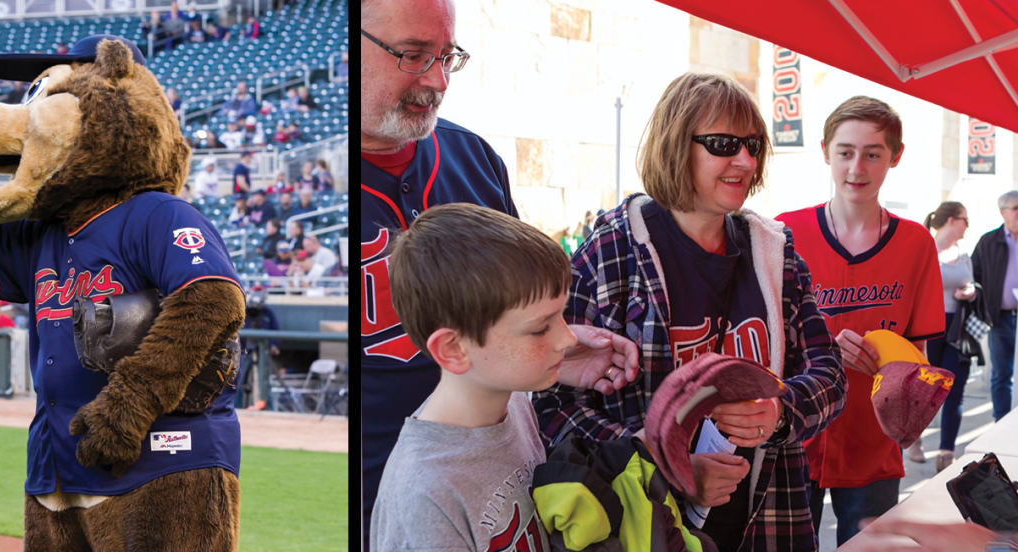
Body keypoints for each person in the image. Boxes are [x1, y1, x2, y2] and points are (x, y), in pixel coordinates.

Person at [536, 73, 844, 552]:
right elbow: (551, 402)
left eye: (753, 144)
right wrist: (666, 466)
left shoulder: (775, 252)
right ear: (677, 145)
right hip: (651, 528)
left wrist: (781, 413)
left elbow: (829, 373)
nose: (744, 160)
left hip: (770, 520)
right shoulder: (612, 250)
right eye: (723, 144)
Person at [357, 0, 544, 524]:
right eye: (413, 55)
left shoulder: (475, 158)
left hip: (501, 493)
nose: (437, 81)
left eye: (447, 56)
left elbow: (521, 318)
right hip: (377, 506)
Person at [369, 203, 631, 551]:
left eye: (561, 315)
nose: (568, 338)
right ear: (453, 349)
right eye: (541, 328)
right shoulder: (425, 494)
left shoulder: (515, 403)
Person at [778, 96, 943, 546]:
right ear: (824, 151)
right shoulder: (783, 233)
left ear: (895, 156)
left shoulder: (916, 243)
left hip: (873, 441)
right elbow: (766, 345)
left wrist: (897, 374)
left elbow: (921, 359)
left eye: (873, 153)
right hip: (794, 434)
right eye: (845, 152)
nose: (857, 168)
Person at [928, 201, 981, 473]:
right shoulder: (925, 248)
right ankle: (911, 441)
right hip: (927, 328)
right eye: (965, 220)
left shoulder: (964, 254)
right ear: (951, 220)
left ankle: (946, 452)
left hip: (956, 328)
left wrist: (971, 291)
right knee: (923, 390)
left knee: (954, 389)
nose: (967, 227)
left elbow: (971, 284)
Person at [974, 191, 1018, 422]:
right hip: (1000, 319)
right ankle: (1000, 421)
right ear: (1002, 212)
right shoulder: (988, 241)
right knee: (1001, 374)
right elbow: (974, 277)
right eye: (1016, 208)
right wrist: (985, 311)